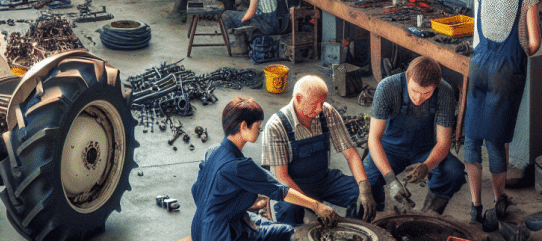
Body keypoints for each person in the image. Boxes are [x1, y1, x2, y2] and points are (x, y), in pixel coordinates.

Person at [464, 0, 540, 231]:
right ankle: (498, 203)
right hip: (506, 70)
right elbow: (534, 43)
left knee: (472, 138)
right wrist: (518, 54)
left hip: (479, 64)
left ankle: (475, 207)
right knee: (495, 140)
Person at [191, 96, 338, 241]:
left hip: (199, 229)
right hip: (223, 235)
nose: (260, 129)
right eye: (258, 126)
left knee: (265, 223)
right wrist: (317, 206)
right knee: (288, 232)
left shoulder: (212, 151)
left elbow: (197, 191)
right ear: (243, 126)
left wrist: (234, 205)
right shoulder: (239, 166)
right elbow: (281, 190)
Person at [261, 75, 376, 226]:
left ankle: (352, 231)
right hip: (293, 185)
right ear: (298, 98)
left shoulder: (326, 112)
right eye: (315, 104)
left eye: (322, 103)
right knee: (290, 209)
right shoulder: (276, 126)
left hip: (324, 180)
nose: (319, 108)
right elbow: (282, 177)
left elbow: (351, 154)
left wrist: (364, 186)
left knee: (362, 197)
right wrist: (315, 206)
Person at [363, 56, 466, 215]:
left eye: (426, 93)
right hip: (390, 148)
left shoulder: (445, 92)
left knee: (453, 172)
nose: (419, 98)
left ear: (436, 86)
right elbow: (374, 138)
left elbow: (444, 143)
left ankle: (428, 216)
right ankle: (378, 217)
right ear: (407, 77)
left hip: (424, 150)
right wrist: (391, 180)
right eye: (414, 91)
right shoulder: (387, 88)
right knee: (367, 180)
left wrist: (427, 166)